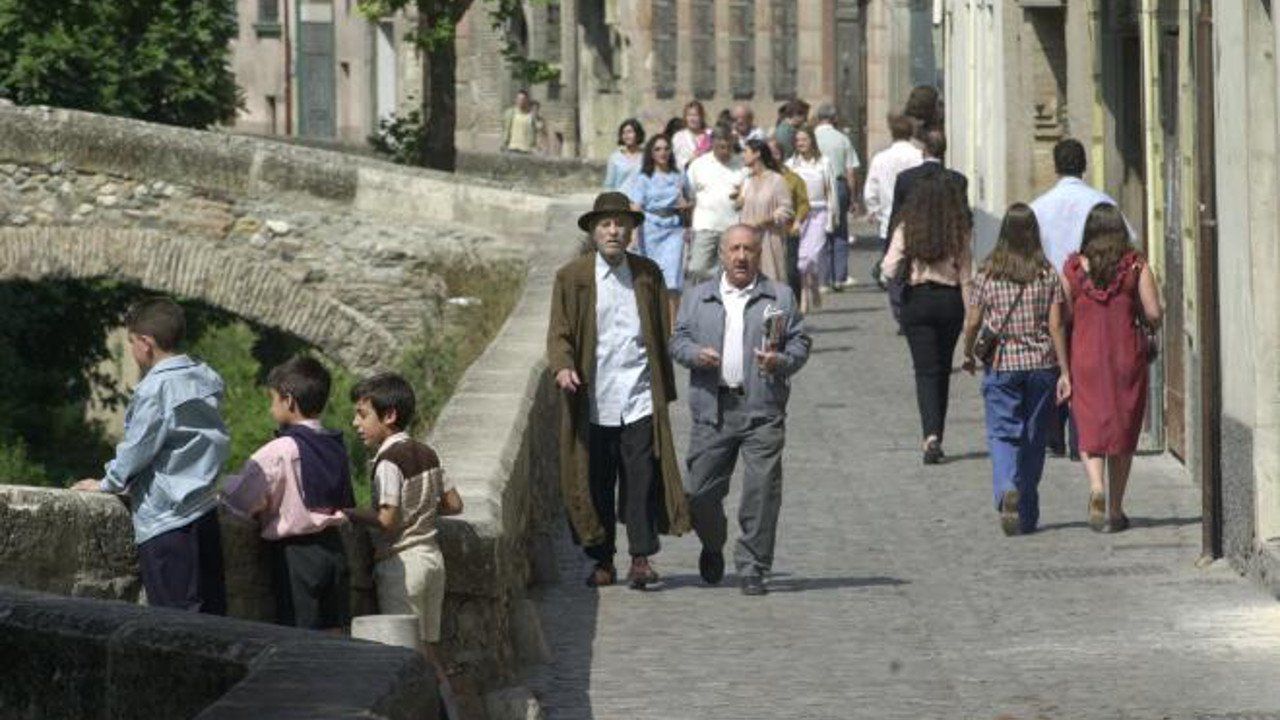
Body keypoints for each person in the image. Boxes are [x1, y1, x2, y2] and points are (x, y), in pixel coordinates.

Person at [546, 192, 691, 589]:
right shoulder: (571, 277)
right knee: (596, 481)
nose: (613, 231)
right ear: (593, 231)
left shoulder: (647, 273)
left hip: (640, 394)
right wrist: (563, 367)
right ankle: (601, 559)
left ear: (631, 231)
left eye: (620, 224)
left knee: (642, 477)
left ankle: (640, 558)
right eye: (605, 224)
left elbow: (661, 329)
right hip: (594, 398)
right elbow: (558, 333)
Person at [671, 225, 811, 596]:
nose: (741, 256)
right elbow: (678, 339)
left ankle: (753, 566)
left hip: (761, 409)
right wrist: (695, 355)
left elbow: (800, 342)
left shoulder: (778, 296)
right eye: (734, 249)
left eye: (749, 249)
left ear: (759, 253)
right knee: (700, 493)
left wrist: (780, 361)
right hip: (712, 410)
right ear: (722, 254)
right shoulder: (699, 296)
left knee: (761, 492)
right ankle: (713, 543)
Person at [72, 297, 230, 614]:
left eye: (131, 342)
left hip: (166, 520)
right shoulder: (206, 376)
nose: (131, 350)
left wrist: (107, 483)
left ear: (146, 343)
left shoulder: (155, 389)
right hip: (205, 511)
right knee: (214, 622)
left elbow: (138, 448)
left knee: (174, 623)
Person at [960, 205, 1072, 536]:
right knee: (1034, 438)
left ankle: (1008, 485)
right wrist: (1065, 370)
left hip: (1002, 363)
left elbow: (973, 321)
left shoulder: (988, 273)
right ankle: (1027, 510)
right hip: (1041, 365)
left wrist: (968, 353)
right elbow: (1056, 325)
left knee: (1002, 432)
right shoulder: (1047, 273)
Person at [220, 356, 354, 631]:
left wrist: (222, 487)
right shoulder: (335, 445)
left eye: (273, 400)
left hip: (296, 555)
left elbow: (243, 497)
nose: (271, 409)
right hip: (334, 548)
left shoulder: (280, 450)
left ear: (289, 401)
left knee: (300, 632)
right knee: (335, 633)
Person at [346, 372, 464, 682]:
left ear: (389, 415)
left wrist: (349, 513)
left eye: (362, 415)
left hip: (402, 567)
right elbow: (453, 504)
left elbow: (387, 519)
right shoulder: (427, 452)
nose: (356, 424)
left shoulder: (387, 462)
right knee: (428, 647)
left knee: (406, 655)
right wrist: (419, 507)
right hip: (432, 559)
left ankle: (445, 709)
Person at [1062, 203, 1163, 533]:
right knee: (1123, 429)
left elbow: (1063, 314)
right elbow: (1153, 313)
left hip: (1085, 355)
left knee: (1090, 425)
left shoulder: (1074, 267)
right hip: (1125, 356)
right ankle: (1116, 510)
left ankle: (1096, 489)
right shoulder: (1136, 265)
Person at [1030, 138, 1132, 458]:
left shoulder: (1039, 206)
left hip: (1051, 294)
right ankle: (1080, 438)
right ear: (1084, 165)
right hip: (1091, 288)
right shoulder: (1101, 202)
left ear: (1056, 166)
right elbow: (1131, 239)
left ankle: (1054, 434)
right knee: (1085, 363)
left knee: (1055, 361)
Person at [881, 171, 973, 465]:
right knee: (942, 369)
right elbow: (967, 277)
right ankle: (938, 433)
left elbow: (889, 267)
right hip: (949, 302)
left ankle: (929, 436)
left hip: (917, 300)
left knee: (924, 371)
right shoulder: (957, 229)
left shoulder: (908, 227)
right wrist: (972, 315)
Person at [885, 129, 969, 324]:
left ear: (923, 150)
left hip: (915, 264)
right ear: (944, 151)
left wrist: (891, 248)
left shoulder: (906, 178)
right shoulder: (958, 180)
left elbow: (896, 218)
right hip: (950, 269)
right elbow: (965, 219)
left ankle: (901, 315)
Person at [627, 134, 692, 325]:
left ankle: (674, 328)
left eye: (666, 148)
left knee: (673, 282)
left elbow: (690, 200)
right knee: (651, 279)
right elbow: (636, 206)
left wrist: (686, 206)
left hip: (674, 229)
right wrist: (633, 235)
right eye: (657, 149)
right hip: (650, 229)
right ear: (651, 153)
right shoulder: (644, 178)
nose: (662, 152)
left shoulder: (679, 175)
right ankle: (653, 325)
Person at [863, 114, 924, 287]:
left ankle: (893, 287)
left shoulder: (880, 159)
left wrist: (873, 209)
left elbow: (871, 189)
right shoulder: (918, 156)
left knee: (891, 256)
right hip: (916, 216)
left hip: (888, 216)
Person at [685, 125, 746, 282]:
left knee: (731, 270)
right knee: (697, 268)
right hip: (705, 225)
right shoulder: (698, 165)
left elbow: (748, 193)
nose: (725, 151)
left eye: (728, 146)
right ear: (712, 143)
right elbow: (690, 194)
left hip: (733, 226)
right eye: (721, 147)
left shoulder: (742, 165)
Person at [786, 126, 837, 313]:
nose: (801, 143)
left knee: (812, 256)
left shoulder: (824, 163)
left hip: (819, 212)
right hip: (800, 214)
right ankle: (805, 293)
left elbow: (831, 191)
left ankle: (813, 282)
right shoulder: (791, 164)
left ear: (812, 141)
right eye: (798, 140)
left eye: (804, 139)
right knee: (800, 259)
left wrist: (832, 218)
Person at [812, 104, 861, 291]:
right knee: (840, 232)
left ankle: (822, 279)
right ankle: (839, 276)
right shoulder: (842, 139)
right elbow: (851, 170)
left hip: (818, 185)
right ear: (834, 118)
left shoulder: (812, 137)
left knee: (820, 231)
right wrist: (854, 197)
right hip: (839, 184)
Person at [736, 138, 794, 288]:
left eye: (746, 151)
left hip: (769, 238)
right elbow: (740, 205)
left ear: (757, 154)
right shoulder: (747, 180)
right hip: (748, 240)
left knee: (770, 282)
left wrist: (767, 220)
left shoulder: (777, 180)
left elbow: (786, 209)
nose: (743, 155)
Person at [772, 137, 811, 303]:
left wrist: (798, 221)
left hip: (788, 231)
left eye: (775, 152)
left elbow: (803, 203)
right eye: (769, 152)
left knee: (790, 271)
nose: (772, 156)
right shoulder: (756, 177)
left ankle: (793, 304)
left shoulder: (793, 178)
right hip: (764, 232)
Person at [603, 118, 645, 191]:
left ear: (638, 134)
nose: (626, 135)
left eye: (630, 132)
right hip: (621, 199)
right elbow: (609, 184)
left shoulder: (646, 156)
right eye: (623, 133)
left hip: (642, 200)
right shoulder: (615, 158)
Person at [672, 100, 713, 171]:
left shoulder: (710, 134)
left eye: (695, 115)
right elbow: (678, 161)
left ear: (702, 117)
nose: (692, 119)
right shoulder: (679, 136)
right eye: (689, 115)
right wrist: (692, 160)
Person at [501, 89, 540, 154]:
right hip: (512, 148)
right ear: (516, 100)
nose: (521, 101)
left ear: (527, 101)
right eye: (519, 99)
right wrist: (504, 144)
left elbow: (535, 131)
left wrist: (534, 147)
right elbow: (505, 129)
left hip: (526, 150)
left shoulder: (530, 116)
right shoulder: (510, 113)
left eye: (523, 99)